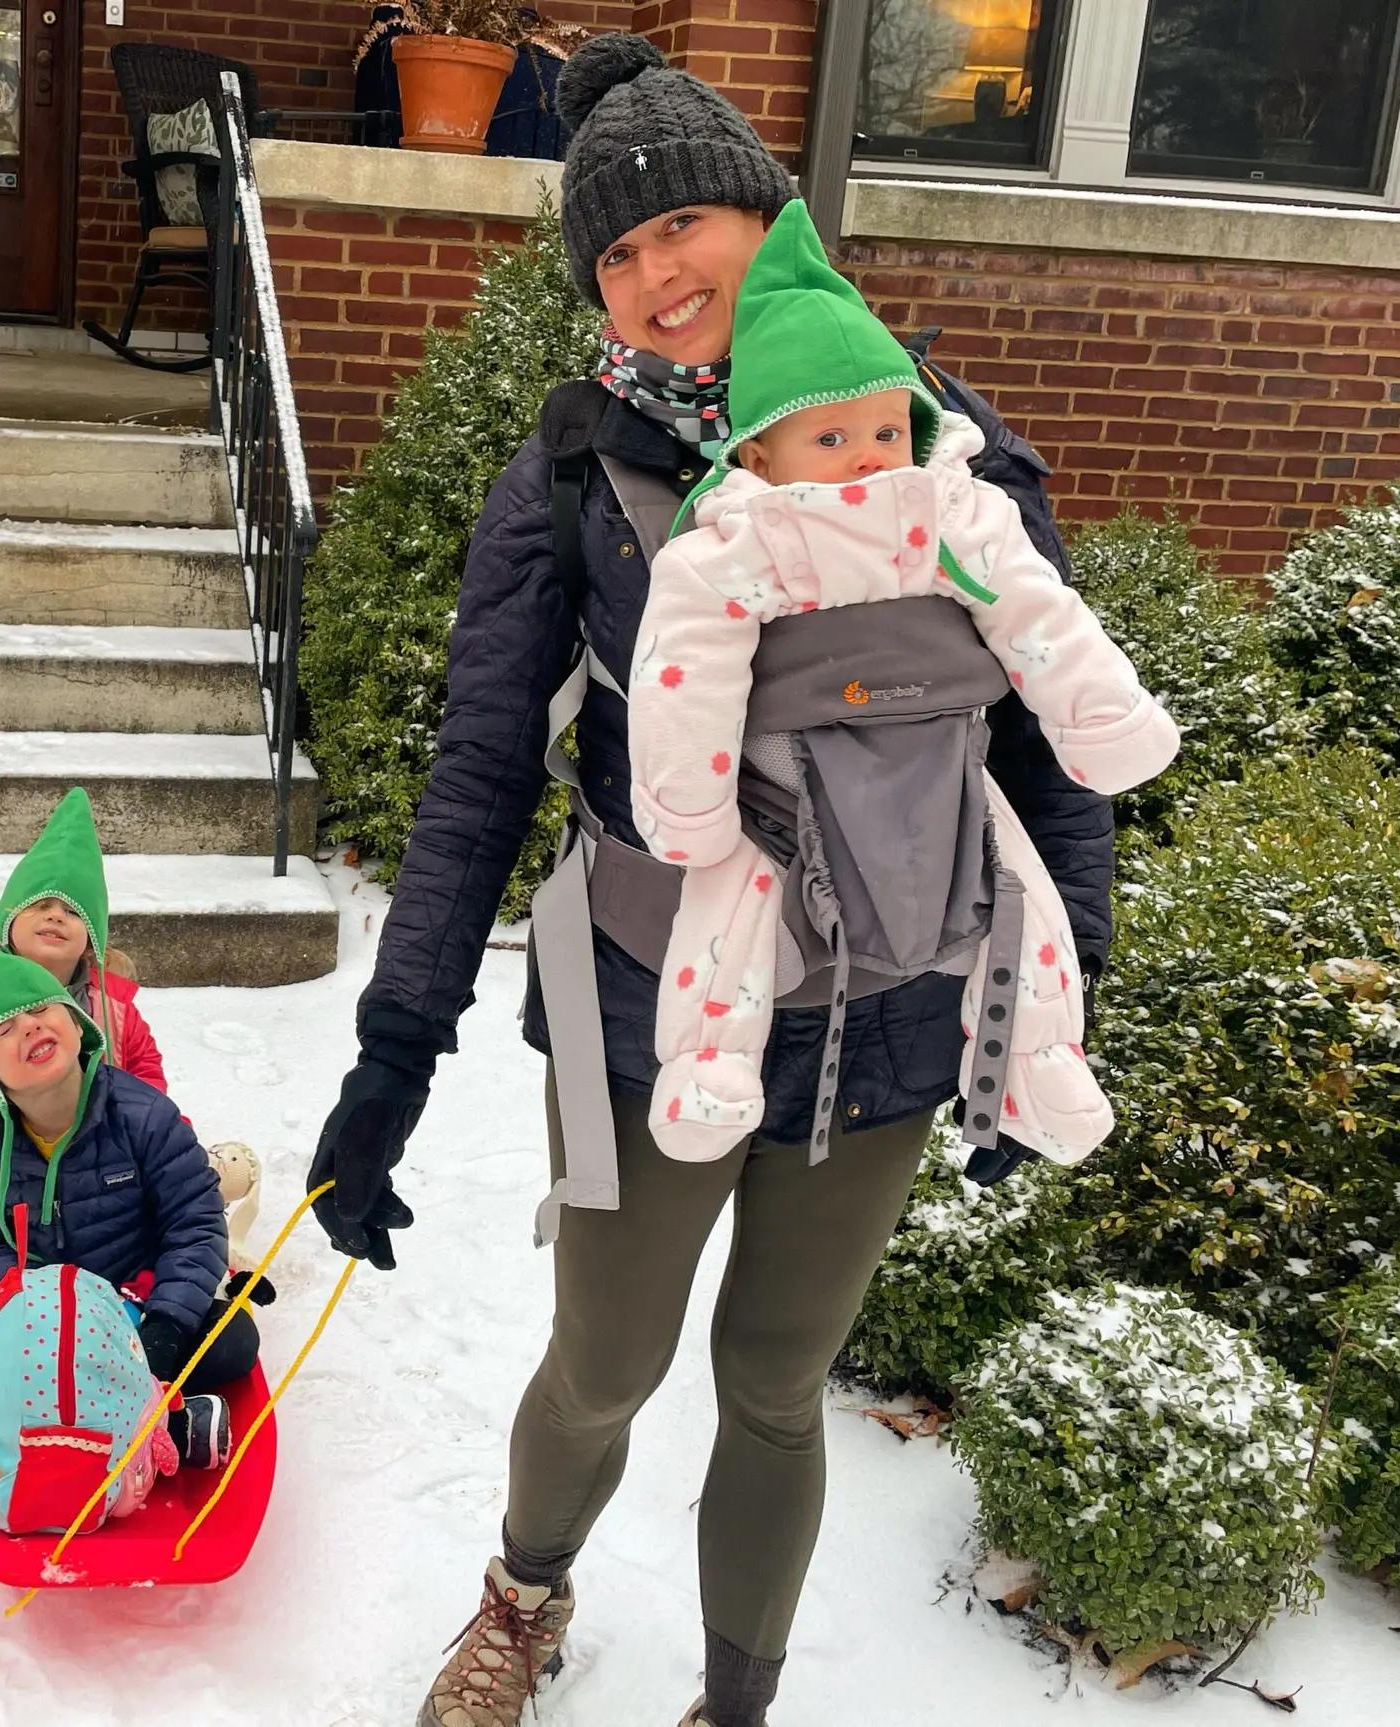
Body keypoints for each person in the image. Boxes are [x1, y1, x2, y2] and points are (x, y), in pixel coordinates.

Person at [307, 33, 1117, 1727]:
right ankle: (522, 1604)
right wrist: (394, 1050)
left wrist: (1065, 992)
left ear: (773, 216)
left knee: (774, 1382)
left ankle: (733, 1703)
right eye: (618, 250)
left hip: (886, 1014)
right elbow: (475, 769)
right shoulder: (578, 470)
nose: (662, 272)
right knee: (604, 1365)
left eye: (688, 224)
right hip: (641, 1004)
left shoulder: (938, 439)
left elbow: (1048, 735)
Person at [631, 200, 1180, 1164]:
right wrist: (691, 800)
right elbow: (687, 669)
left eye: (887, 431)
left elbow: (1035, 611)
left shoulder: (948, 508)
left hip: (944, 770)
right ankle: (708, 1068)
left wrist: (1100, 715)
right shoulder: (744, 535)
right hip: (779, 789)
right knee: (728, 909)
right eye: (831, 441)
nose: (867, 462)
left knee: (1021, 894)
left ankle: (1037, 1064)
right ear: (757, 455)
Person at [0, 915, 257, 1417]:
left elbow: (195, 1220)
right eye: (4, 1029)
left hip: (138, 1302)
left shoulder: (145, 1115)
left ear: (75, 1022)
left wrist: (165, 1323)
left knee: (232, 1340)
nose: (31, 1025)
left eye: (40, 1008)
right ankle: (101, 1401)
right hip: (43, 1321)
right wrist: (40, 1301)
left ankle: (148, 1407)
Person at [0, 787, 167, 1156]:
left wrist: (165, 1147)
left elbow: (147, 1086)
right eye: (40, 905)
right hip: (12, 1165)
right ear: (7, 924)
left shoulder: (116, 1009)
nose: (57, 915)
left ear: (91, 941)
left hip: (111, 1160)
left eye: (74, 911)